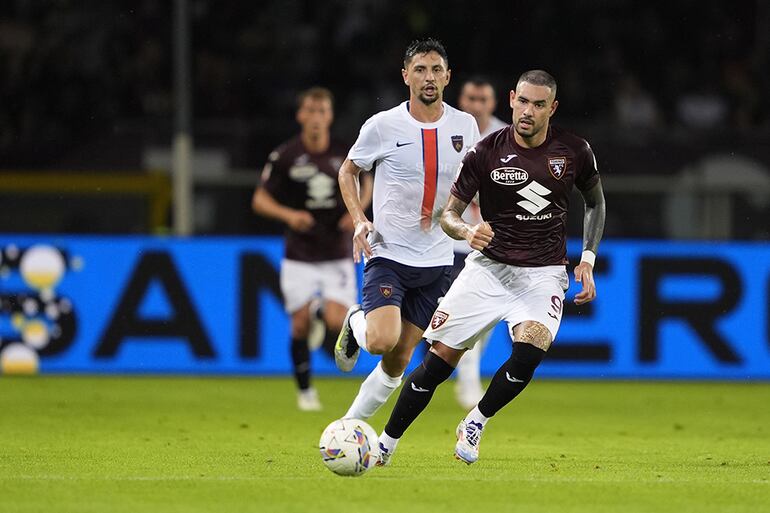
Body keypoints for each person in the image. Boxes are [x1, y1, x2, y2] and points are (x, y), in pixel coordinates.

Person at [375, 70, 606, 466]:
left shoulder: (574, 150)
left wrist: (587, 258)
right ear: (512, 98)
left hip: (543, 272)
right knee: (436, 364)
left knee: (531, 348)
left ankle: (476, 419)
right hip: (488, 269)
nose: (528, 111)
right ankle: (385, 443)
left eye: (538, 105)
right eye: (523, 101)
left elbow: (596, 203)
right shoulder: (484, 152)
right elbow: (448, 214)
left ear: (552, 108)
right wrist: (466, 230)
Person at [333, 38, 480, 422]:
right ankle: (355, 319)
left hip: (437, 261)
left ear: (448, 77)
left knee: (398, 362)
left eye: (435, 70)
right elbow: (348, 171)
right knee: (381, 341)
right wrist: (360, 219)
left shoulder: (465, 126)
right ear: (405, 76)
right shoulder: (382, 126)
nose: (428, 77)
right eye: (419, 69)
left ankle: (348, 428)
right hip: (388, 254)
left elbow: (478, 182)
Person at [252, 86, 372, 411]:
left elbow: (368, 181)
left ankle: (320, 308)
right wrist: (290, 216)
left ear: (330, 116)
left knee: (336, 322)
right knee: (299, 324)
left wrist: (356, 212)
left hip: (336, 252)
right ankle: (305, 391)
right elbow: (259, 199)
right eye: (311, 111)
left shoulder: (345, 153)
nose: (317, 118)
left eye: (323, 111)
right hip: (299, 254)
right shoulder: (285, 156)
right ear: (301, 115)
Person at [452, 77, 510, 409]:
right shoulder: (447, 130)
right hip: (450, 239)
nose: (476, 104)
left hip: (491, 241)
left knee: (486, 316)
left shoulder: (506, 137)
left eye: (483, 99)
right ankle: (466, 377)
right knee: (455, 312)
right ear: (462, 99)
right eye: (471, 98)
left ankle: (467, 372)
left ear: (493, 102)